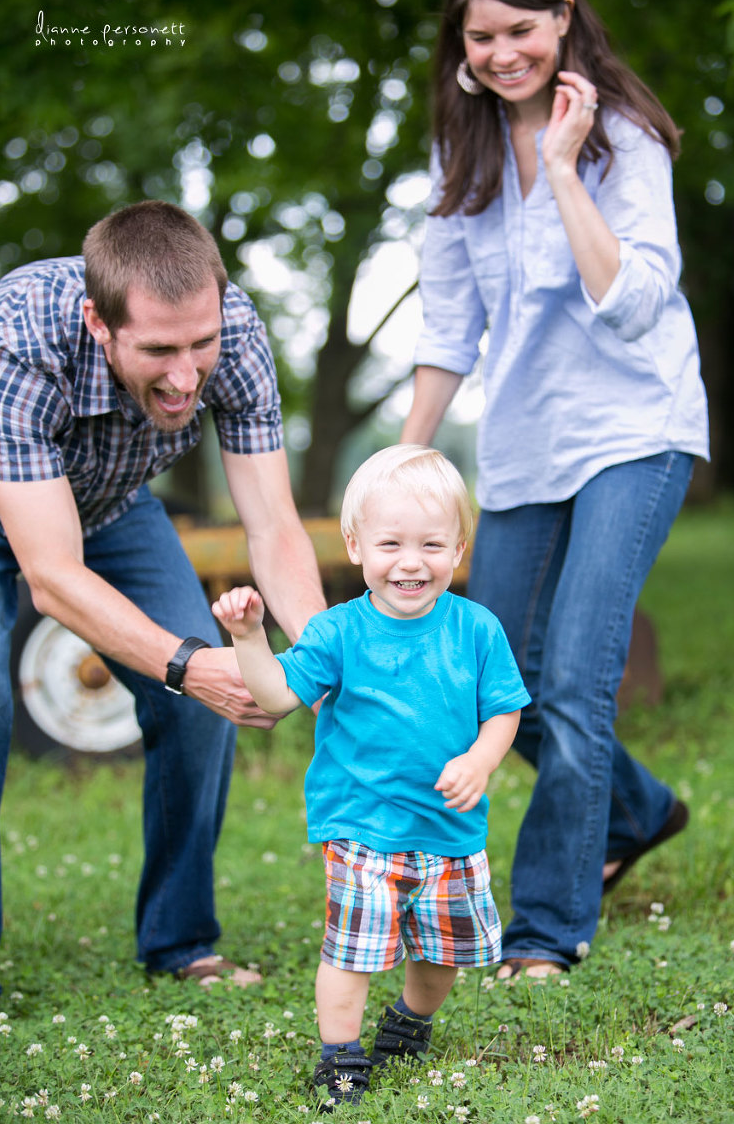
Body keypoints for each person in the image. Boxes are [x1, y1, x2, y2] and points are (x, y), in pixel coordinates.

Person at [400, 0, 709, 980]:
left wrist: (569, 170)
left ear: (566, 18)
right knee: (495, 680)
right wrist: (412, 452)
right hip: (527, 446)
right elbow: (451, 326)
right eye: (481, 37)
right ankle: (638, 808)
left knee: (575, 681)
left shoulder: (627, 137)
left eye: (522, 30)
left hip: (635, 430)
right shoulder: (464, 149)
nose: (501, 54)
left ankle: (545, 930)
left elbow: (632, 303)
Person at [0, 200, 326, 987]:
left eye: (200, 344)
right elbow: (52, 577)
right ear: (97, 322)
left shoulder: (237, 332)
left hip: (109, 507)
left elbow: (275, 526)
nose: (186, 377)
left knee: (199, 697)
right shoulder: (20, 336)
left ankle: (180, 943)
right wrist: (186, 663)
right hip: (28, 514)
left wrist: (325, 658)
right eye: (158, 350)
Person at [212, 445, 530, 1107]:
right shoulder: (336, 633)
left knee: (442, 957)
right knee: (353, 951)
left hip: (450, 830)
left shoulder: (477, 629)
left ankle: (411, 1022)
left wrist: (480, 760)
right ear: (356, 546)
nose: (410, 562)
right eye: (390, 544)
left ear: (459, 547)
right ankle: (341, 1057)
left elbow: (505, 712)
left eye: (431, 544)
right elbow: (275, 699)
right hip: (360, 825)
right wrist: (248, 639)